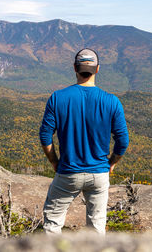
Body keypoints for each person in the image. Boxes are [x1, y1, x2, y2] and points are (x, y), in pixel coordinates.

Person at [39, 48, 129, 235]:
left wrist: (54, 162)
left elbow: (45, 136)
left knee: (53, 222)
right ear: (97, 70)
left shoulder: (58, 98)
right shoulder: (111, 102)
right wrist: (111, 163)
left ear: (74, 68)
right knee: (96, 225)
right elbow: (123, 141)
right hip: (99, 174)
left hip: (68, 173)